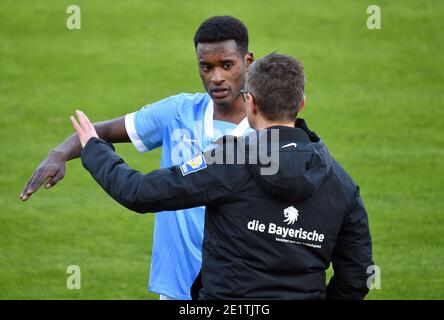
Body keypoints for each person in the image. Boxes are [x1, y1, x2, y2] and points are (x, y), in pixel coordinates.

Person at [72, 53, 374, 299]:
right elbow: (358, 277)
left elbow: (138, 192)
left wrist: (94, 149)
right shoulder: (342, 183)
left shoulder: (229, 160)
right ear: (301, 104)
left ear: (250, 103)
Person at [20, 16, 254, 300]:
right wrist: (58, 154)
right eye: (206, 67)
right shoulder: (178, 111)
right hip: (176, 284)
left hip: (236, 289)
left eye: (226, 65)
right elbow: (100, 132)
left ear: (248, 61)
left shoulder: (266, 131)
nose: (216, 77)